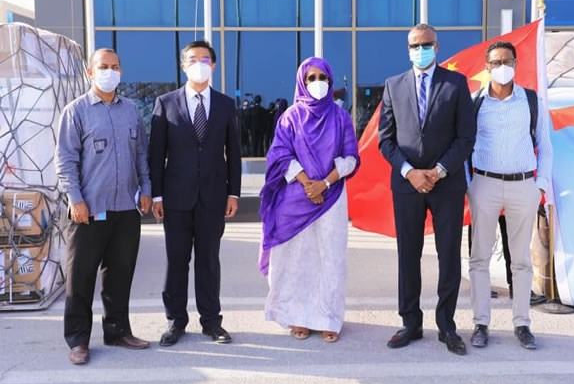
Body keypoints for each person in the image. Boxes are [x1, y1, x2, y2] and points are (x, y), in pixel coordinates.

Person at [378, 24, 475, 355]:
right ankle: (410, 322)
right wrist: (410, 172)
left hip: (446, 184)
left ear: (437, 46)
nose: (421, 49)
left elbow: (466, 137)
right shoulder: (393, 86)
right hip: (407, 185)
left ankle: (447, 325)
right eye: (415, 45)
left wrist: (438, 170)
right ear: (408, 50)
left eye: (426, 44)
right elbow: (385, 140)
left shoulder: (456, 83)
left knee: (449, 254)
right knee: (409, 254)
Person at [55, 48, 152, 365]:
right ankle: (78, 340)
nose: (109, 71)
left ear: (121, 72)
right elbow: (66, 161)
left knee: (120, 274)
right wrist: (75, 199)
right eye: (103, 67)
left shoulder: (132, 110)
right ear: (89, 72)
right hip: (88, 210)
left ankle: (118, 330)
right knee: (80, 276)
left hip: (126, 208)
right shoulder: (76, 111)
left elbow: (141, 157)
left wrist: (146, 189)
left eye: (114, 67)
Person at [259, 57, 360, 343]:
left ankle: (329, 317)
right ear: (302, 82)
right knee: (296, 260)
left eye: (323, 77)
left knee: (330, 258)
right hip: (295, 199)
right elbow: (280, 155)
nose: (318, 83)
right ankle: (298, 317)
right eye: (312, 78)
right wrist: (307, 184)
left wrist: (324, 183)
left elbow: (351, 158)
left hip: (332, 196)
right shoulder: (290, 116)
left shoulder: (340, 117)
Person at [148, 40, 242, 347]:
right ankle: (175, 321)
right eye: (192, 59)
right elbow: (156, 153)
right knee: (176, 261)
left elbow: (235, 153)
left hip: (214, 197)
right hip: (175, 198)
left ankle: (212, 322)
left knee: (208, 261)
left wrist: (234, 194)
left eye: (205, 59)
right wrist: (158, 195)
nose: (199, 63)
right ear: (183, 65)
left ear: (213, 66)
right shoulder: (165, 102)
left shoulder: (226, 105)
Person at [467, 41, 552, 350]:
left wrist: (539, 186)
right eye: (496, 62)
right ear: (487, 67)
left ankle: (522, 324)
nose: (502, 66)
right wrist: (469, 184)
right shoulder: (475, 102)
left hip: (523, 186)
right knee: (479, 258)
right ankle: (480, 323)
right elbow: (464, 145)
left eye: (507, 60)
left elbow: (546, 145)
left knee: (521, 260)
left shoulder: (531, 101)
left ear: (516, 64)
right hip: (485, 184)